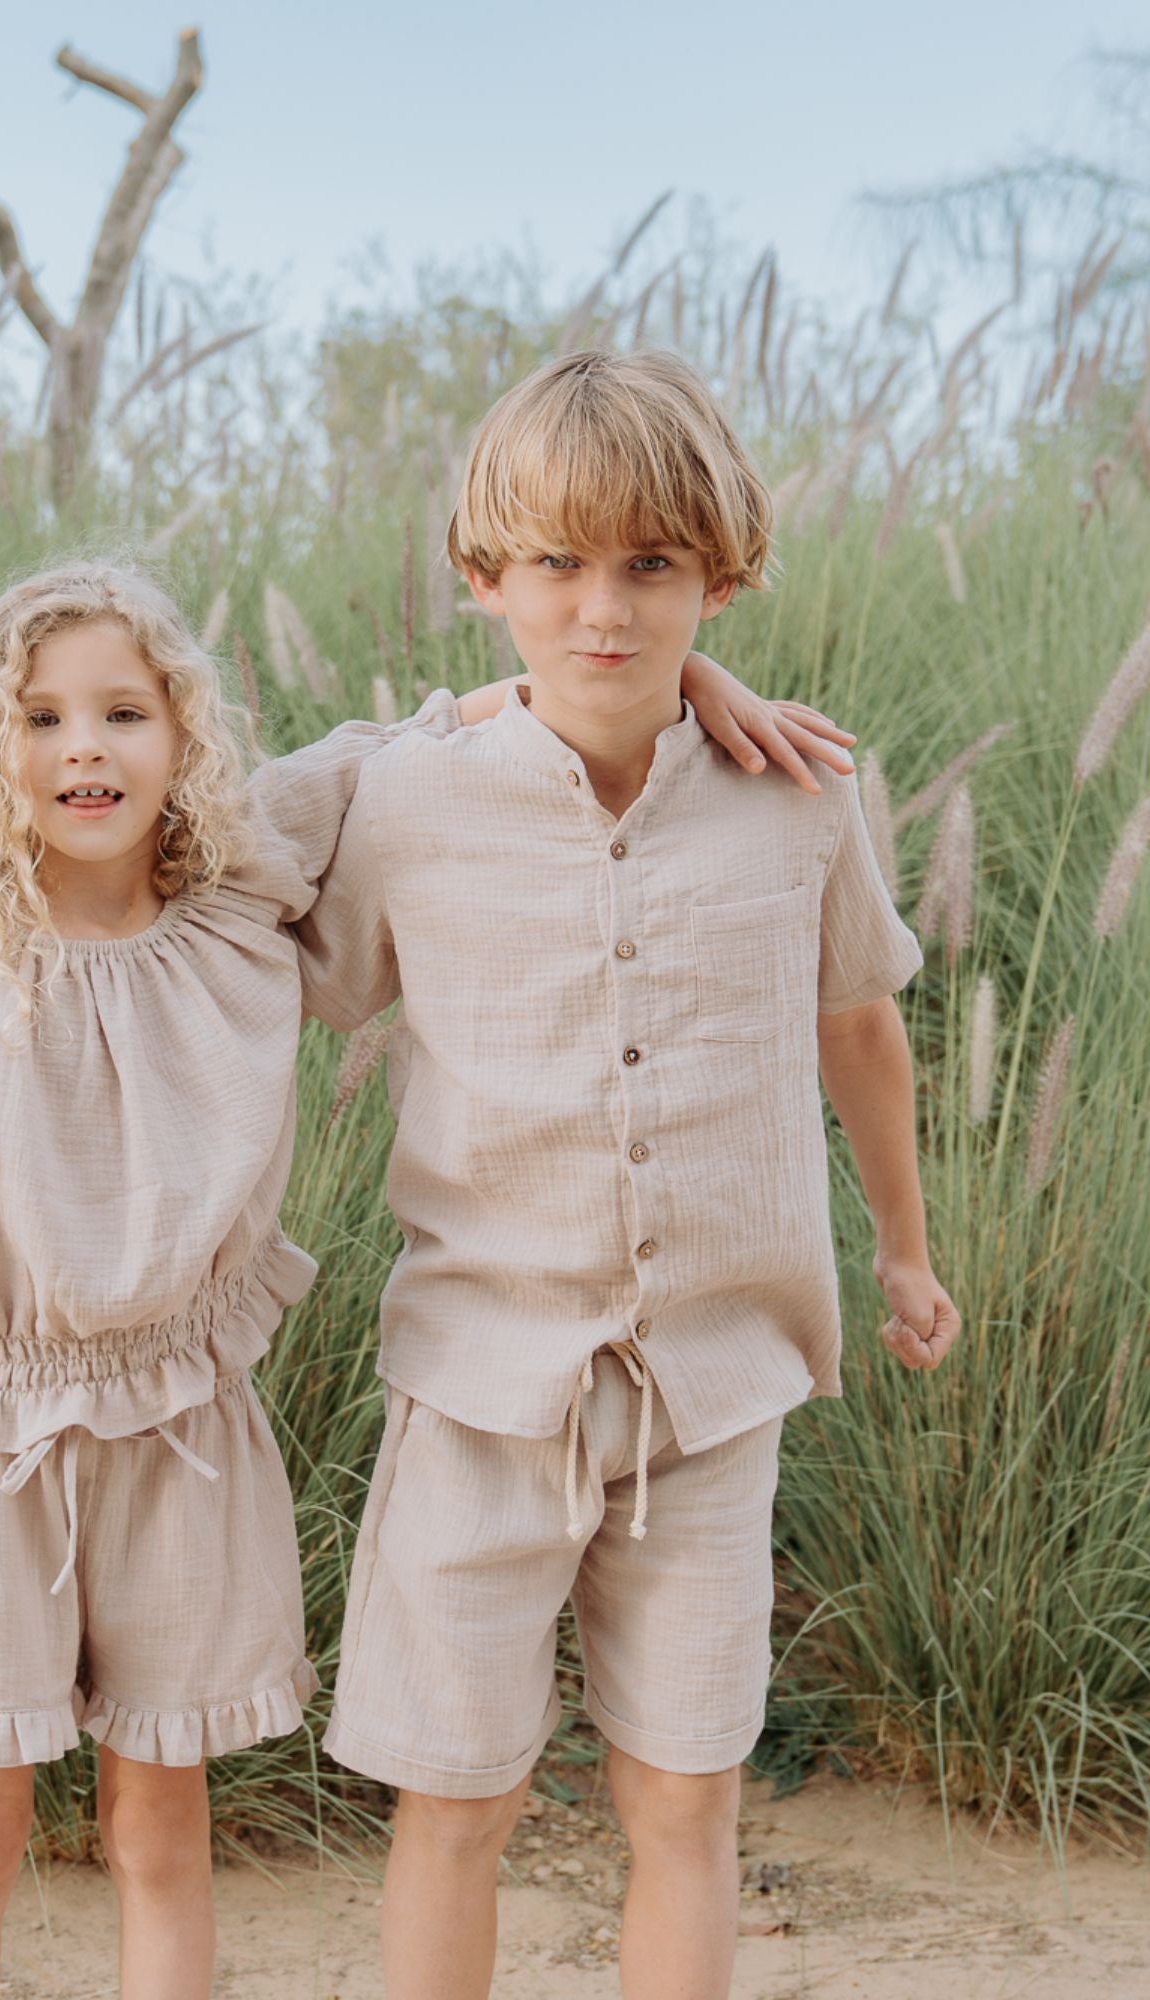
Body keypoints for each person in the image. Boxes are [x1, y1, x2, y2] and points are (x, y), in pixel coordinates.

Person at [0, 555, 855, 2000]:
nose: (85, 748)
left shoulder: (234, 905)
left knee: (162, 1831)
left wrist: (676, 685)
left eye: (123, 713)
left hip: (184, 1434)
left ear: (185, 739)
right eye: (40, 720)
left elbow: (414, 748)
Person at [291, 349, 963, 2000]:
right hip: (479, 1385)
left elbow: (858, 1023)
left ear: (717, 579)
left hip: (712, 1393)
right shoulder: (410, 802)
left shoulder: (798, 799)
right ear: (483, 579)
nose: (606, 608)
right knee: (458, 1797)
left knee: (686, 1796)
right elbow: (212, 887)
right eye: (559, 566)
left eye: (653, 568)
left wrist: (900, 1245)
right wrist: (425, 726)